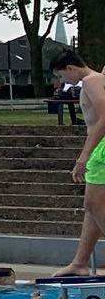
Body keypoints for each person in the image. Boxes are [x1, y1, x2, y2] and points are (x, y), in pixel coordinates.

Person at [50, 50, 105, 277]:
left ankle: (79, 263)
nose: (63, 82)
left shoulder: (91, 81)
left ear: (71, 68)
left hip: (102, 148)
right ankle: (80, 262)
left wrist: (83, 157)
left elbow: (104, 118)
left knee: (93, 204)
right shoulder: (98, 79)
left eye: (62, 76)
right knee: (91, 210)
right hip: (100, 148)